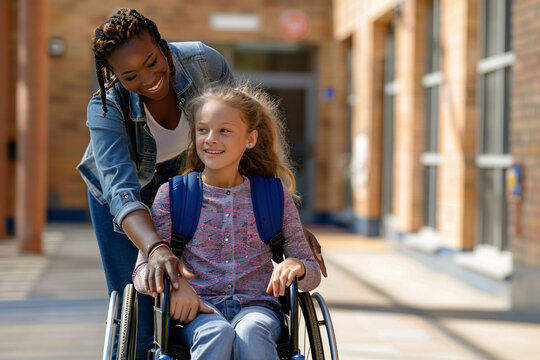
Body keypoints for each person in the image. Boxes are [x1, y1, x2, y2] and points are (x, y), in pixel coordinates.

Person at [76, 8, 327, 360]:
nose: (148, 78)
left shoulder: (204, 62)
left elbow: (237, 125)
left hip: (191, 180)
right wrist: (158, 252)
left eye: (152, 61)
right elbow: (122, 194)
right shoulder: (105, 109)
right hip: (125, 196)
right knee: (141, 322)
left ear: (163, 46)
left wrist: (288, 225)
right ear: (114, 76)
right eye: (130, 75)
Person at [133, 83, 321, 359]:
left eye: (224, 130)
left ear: (250, 139)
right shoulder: (173, 195)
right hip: (197, 310)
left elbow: (312, 273)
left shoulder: (273, 195)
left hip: (257, 309)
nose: (210, 138)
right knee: (216, 332)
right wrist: (176, 288)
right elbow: (141, 273)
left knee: (251, 331)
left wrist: (297, 265)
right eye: (202, 130)